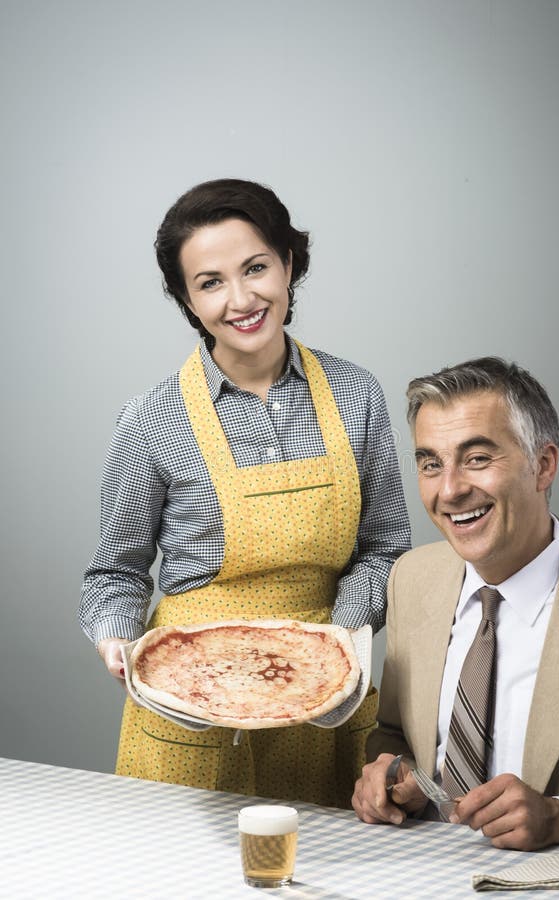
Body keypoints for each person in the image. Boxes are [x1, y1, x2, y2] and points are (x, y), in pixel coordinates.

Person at [80, 178, 410, 807]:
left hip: (325, 695)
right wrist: (118, 636)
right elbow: (115, 573)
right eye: (209, 282)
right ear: (186, 298)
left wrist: (334, 647)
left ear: (289, 263)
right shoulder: (151, 419)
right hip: (192, 699)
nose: (241, 298)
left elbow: (385, 550)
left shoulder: (356, 393)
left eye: (256, 267)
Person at [352, 357, 559, 852]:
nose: (451, 489)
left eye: (477, 458)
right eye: (431, 464)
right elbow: (394, 735)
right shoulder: (410, 580)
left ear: (543, 465)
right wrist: (391, 774)